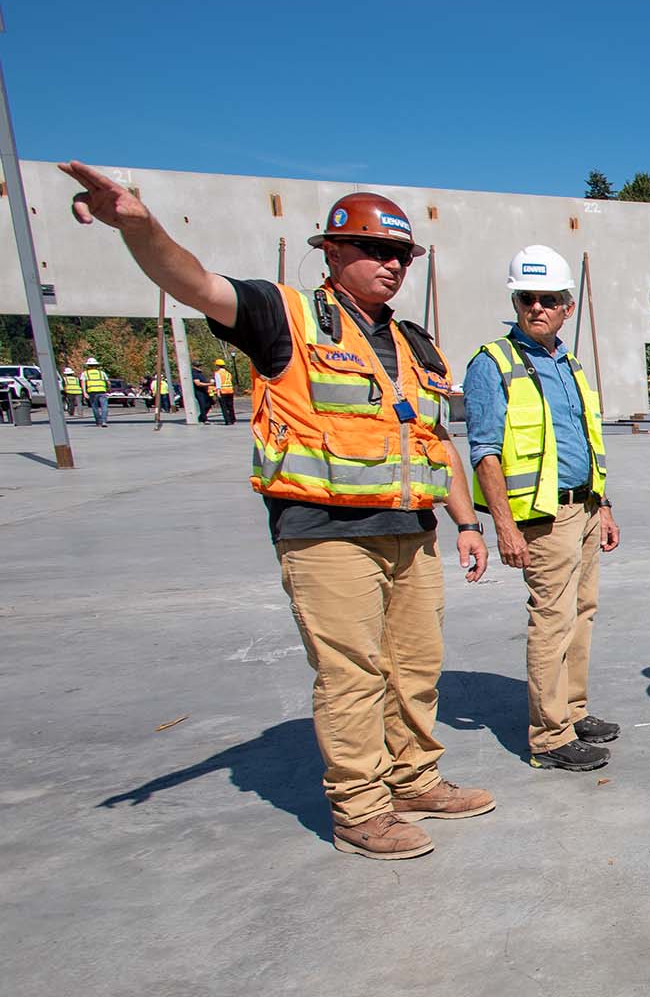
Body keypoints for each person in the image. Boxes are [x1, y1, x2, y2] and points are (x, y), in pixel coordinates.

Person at [61, 162, 495, 862]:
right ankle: (361, 809)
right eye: (374, 250)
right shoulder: (285, 317)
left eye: (400, 255)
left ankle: (415, 781)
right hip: (324, 533)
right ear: (332, 251)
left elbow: (433, 439)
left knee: (415, 668)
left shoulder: (414, 341)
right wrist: (142, 229)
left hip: (411, 532)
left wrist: (467, 522)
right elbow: (193, 283)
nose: (390, 265)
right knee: (352, 673)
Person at [465, 246, 622, 772]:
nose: (537, 307)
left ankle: (572, 711)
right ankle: (549, 738)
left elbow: (586, 440)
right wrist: (504, 527)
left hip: (583, 509)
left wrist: (604, 506)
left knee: (582, 614)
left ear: (566, 307)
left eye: (548, 299)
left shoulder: (568, 364)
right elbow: (484, 451)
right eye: (527, 298)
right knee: (551, 622)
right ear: (516, 301)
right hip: (542, 517)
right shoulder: (494, 364)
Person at [82, 358, 109, 426]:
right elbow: (108, 382)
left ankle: (98, 421)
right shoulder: (102, 373)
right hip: (102, 391)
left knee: (95, 407)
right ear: (96, 365)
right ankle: (104, 421)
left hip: (92, 392)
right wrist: (109, 389)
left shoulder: (85, 373)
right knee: (104, 407)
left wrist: (84, 393)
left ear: (88, 365)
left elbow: (83, 383)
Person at [210, 358, 236, 424]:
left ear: (217, 365)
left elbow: (218, 383)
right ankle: (232, 419)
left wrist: (218, 392)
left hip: (223, 391)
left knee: (224, 407)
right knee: (230, 406)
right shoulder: (228, 373)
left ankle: (227, 420)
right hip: (230, 390)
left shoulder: (218, 373)